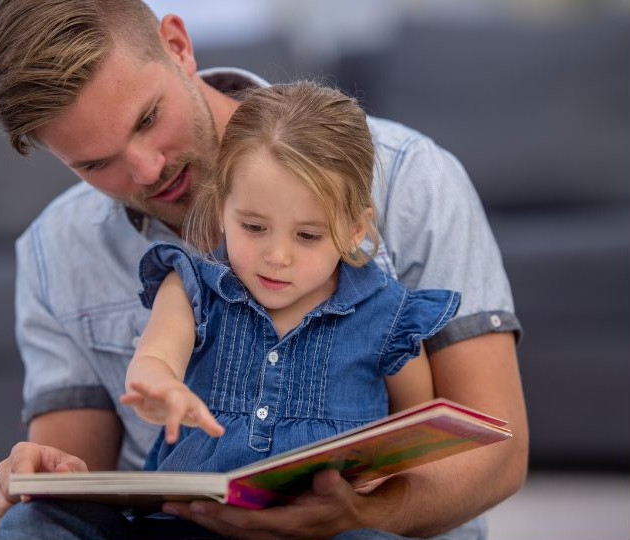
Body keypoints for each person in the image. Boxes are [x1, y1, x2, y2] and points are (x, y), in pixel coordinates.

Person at [0, 1, 528, 538]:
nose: (147, 169)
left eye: (148, 118)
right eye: (96, 164)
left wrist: (359, 515)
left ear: (178, 45)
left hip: (367, 530)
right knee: (35, 522)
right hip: (184, 526)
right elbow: (79, 478)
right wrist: (40, 475)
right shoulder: (55, 249)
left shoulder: (412, 178)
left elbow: (495, 453)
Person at [122, 81, 459, 480]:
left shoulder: (388, 317)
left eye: (307, 236)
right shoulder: (191, 288)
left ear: (355, 229)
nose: (277, 257)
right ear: (220, 209)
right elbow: (154, 359)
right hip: (195, 518)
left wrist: (380, 482)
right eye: (253, 227)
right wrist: (161, 388)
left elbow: (413, 430)